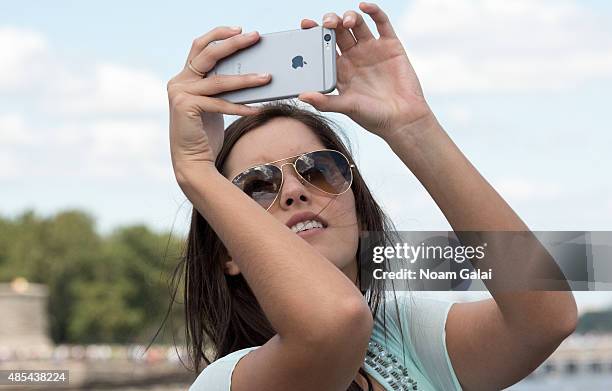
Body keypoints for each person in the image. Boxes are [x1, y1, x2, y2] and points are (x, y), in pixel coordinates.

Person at [165, 2, 577, 390]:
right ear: (227, 252)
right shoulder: (226, 381)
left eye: (319, 170)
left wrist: (412, 126)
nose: (292, 191)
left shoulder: (402, 337)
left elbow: (545, 316)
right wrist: (196, 171)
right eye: (257, 185)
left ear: (360, 212)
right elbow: (333, 323)